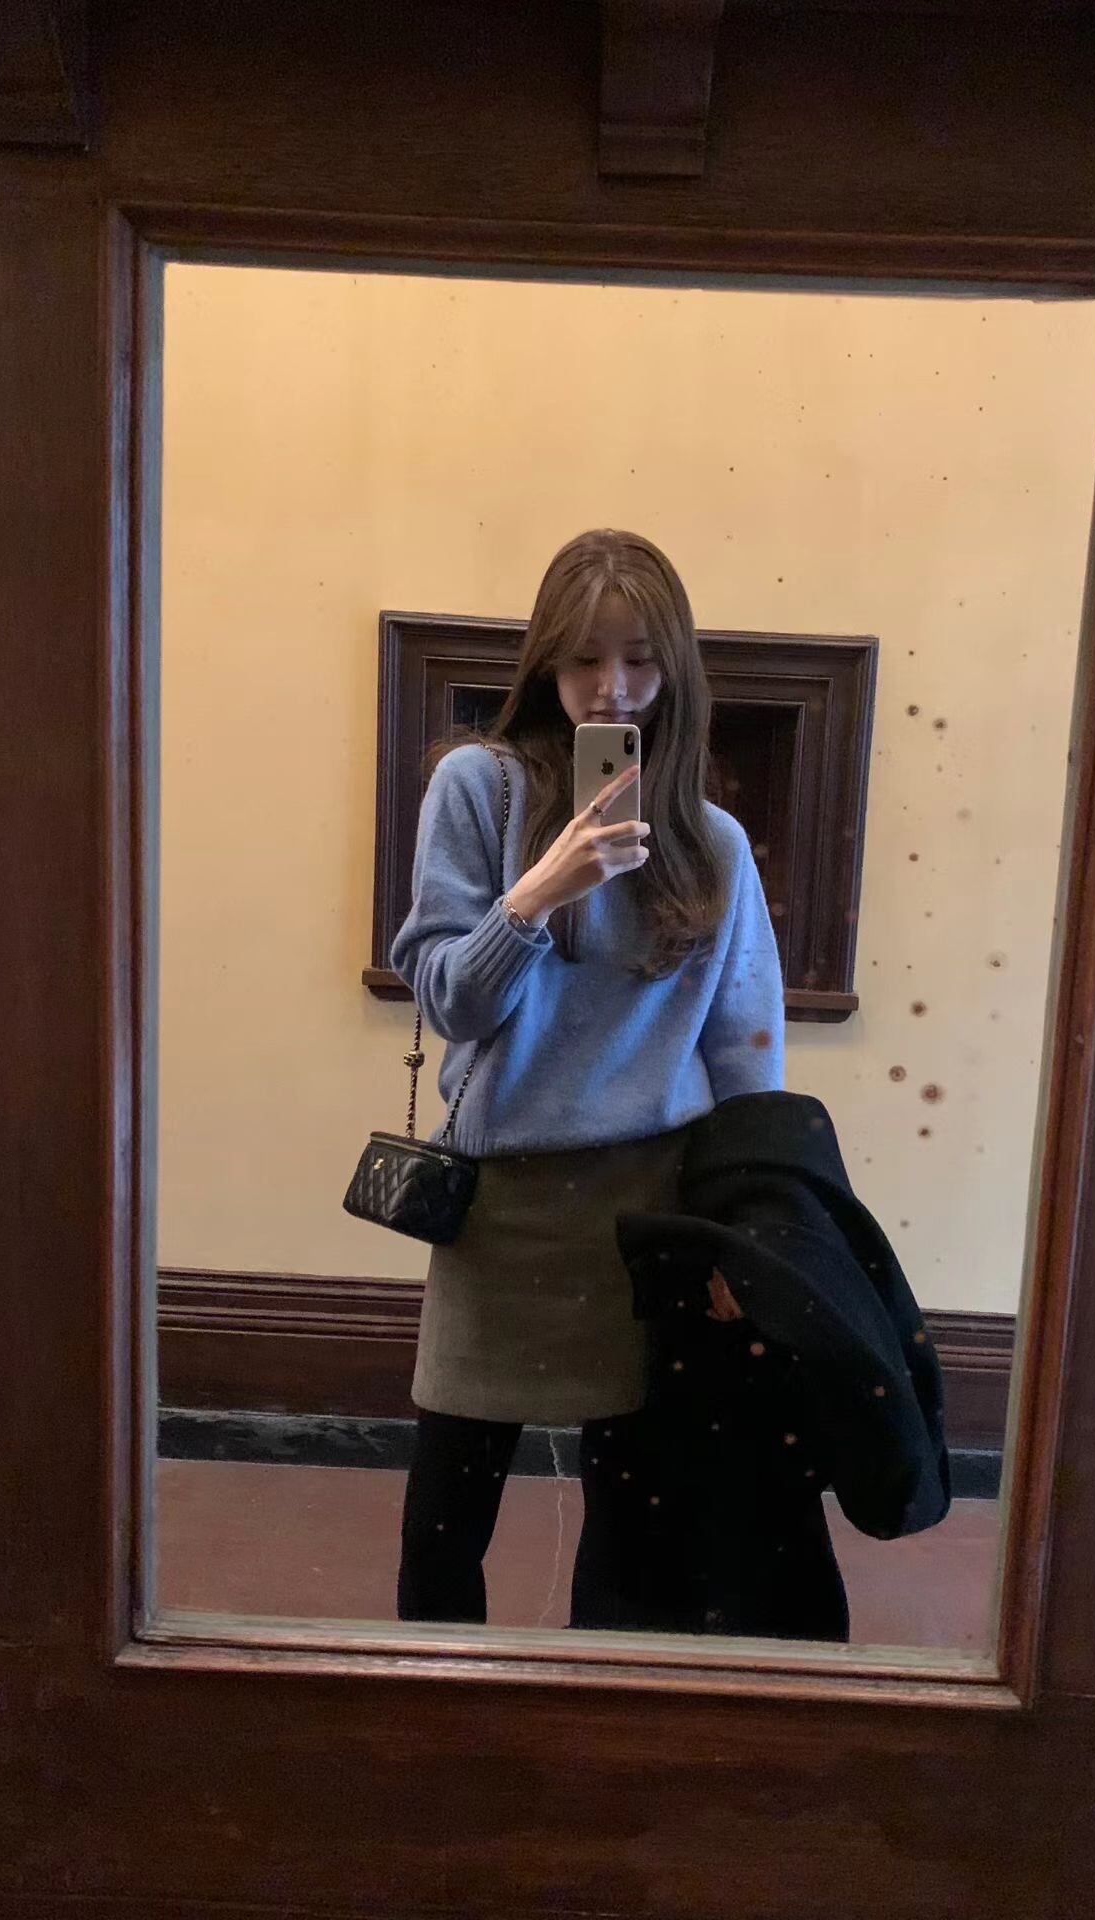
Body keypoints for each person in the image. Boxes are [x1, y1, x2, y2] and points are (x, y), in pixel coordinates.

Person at [389, 528, 785, 1629]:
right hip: (500, 1210)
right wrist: (537, 895)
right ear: (545, 664)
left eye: (641, 659)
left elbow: (745, 1050)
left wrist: (747, 1229)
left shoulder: (714, 842)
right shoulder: (477, 790)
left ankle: (598, 1711)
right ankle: (434, 1712)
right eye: (584, 659)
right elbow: (452, 1001)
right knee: (444, 1518)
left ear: (677, 667)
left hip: (651, 1208)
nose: (613, 686)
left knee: (635, 1520)